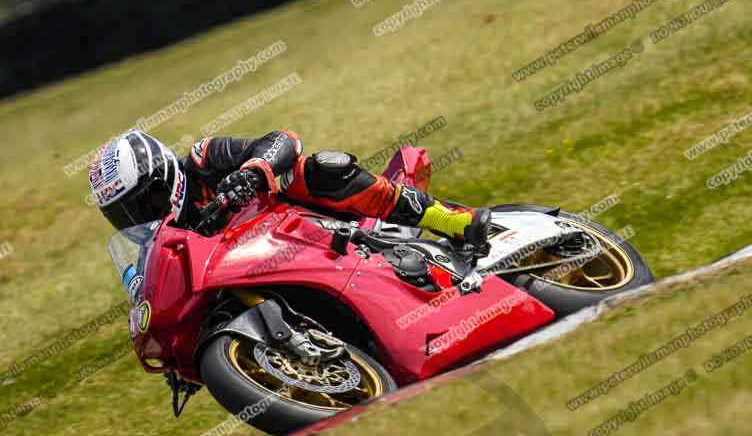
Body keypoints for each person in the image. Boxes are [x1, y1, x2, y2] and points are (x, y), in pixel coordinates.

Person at [89, 130, 491, 251]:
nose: (145, 218)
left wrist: (252, 173)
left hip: (304, 226)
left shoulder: (203, 158)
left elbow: (283, 139)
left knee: (317, 170)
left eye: (147, 204)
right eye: (128, 215)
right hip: (258, 264)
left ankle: (451, 220)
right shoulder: (160, 246)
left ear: (166, 176)